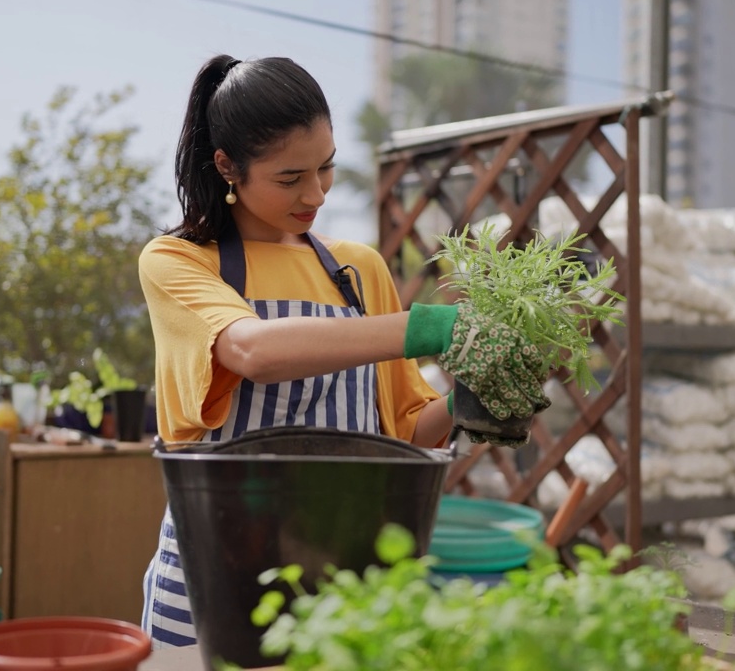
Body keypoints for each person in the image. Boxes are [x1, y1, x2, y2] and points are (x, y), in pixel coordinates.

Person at [137, 54, 546, 648]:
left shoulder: (359, 270)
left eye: (326, 168)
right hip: (212, 587)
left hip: (338, 586)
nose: (317, 194)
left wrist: (466, 399)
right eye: (289, 178)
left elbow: (401, 436)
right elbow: (250, 349)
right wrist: (432, 328)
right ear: (228, 166)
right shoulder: (178, 262)